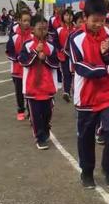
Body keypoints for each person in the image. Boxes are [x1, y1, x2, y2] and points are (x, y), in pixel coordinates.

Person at [67, 0, 109, 189]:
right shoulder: (75, 38)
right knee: (85, 135)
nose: (99, 24)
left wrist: (106, 54)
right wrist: (106, 68)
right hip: (86, 95)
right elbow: (80, 67)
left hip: (107, 93)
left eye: (102, 20)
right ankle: (87, 171)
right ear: (85, 17)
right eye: (95, 20)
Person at [18, 15, 60, 150]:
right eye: (40, 29)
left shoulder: (51, 46)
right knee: (36, 115)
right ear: (33, 29)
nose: (43, 31)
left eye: (45, 29)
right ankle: (40, 137)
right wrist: (36, 53)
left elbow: (55, 64)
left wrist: (45, 58)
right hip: (32, 87)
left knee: (47, 113)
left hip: (48, 86)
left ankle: (46, 127)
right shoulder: (28, 45)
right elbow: (23, 61)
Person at [6, 10, 33, 121]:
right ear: (19, 21)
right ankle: (21, 110)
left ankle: (31, 111)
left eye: (28, 21)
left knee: (30, 91)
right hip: (17, 71)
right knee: (19, 92)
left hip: (30, 70)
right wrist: (17, 58)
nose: (26, 23)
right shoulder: (14, 37)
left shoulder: (32, 36)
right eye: (24, 20)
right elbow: (9, 52)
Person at [57, 9, 75, 102]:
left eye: (71, 15)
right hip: (63, 56)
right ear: (63, 17)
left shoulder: (76, 29)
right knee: (66, 74)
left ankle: (74, 90)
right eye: (67, 15)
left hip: (74, 56)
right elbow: (56, 42)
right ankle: (66, 92)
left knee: (74, 74)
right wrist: (61, 50)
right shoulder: (59, 29)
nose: (69, 17)